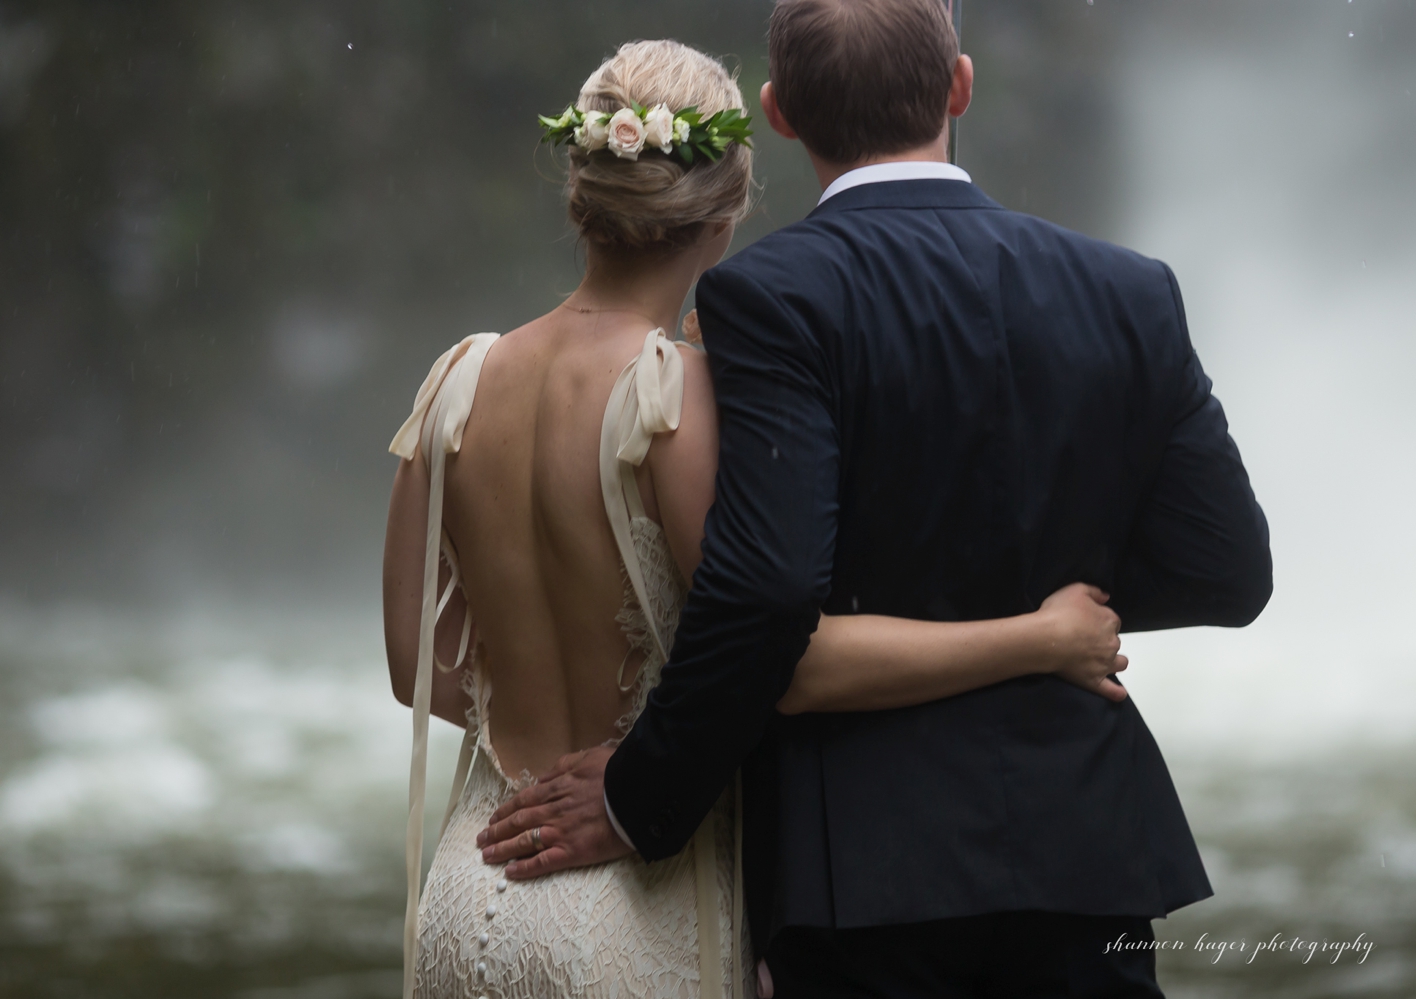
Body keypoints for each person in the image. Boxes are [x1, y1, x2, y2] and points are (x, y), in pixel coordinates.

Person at [478, 2, 1273, 997]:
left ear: (779, 114)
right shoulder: (1128, 288)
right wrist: (1050, 615)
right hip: (1089, 850)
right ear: (960, 86)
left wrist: (642, 800)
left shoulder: (771, 294)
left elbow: (769, 592)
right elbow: (1229, 570)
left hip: (864, 868)